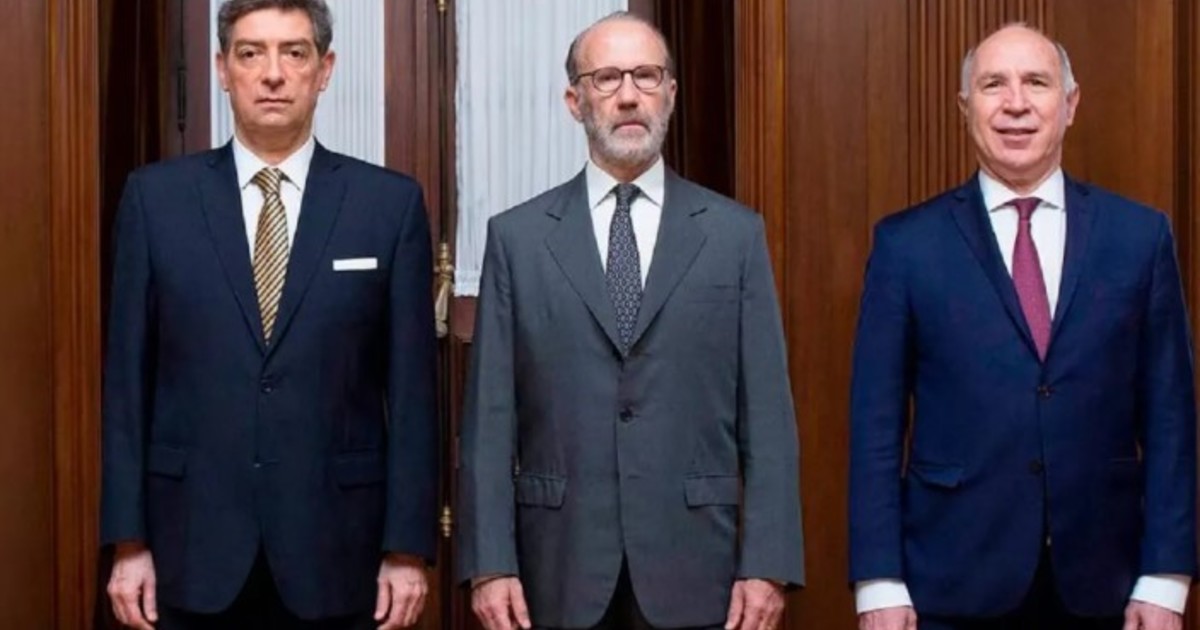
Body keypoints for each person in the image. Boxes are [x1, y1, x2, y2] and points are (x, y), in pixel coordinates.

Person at [457, 11, 804, 630]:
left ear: (670, 93)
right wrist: (490, 564)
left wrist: (768, 562)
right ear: (575, 100)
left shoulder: (734, 236)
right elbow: (490, 419)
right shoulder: (517, 239)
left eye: (646, 76)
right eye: (607, 78)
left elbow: (769, 416)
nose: (627, 95)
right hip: (556, 569)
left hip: (698, 567)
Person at [100, 1, 437, 627]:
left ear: (324, 69)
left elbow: (414, 393)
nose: (273, 73)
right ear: (222, 69)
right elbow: (125, 383)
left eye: (294, 52)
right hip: (188, 546)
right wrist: (128, 541)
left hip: (339, 550)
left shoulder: (387, 206)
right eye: (251, 53)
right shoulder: (155, 200)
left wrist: (407, 548)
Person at [849, 24, 1197, 630]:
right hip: (949, 586)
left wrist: (1166, 578)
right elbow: (875, 426)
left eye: (1036, 82)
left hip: (1109, 588)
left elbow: (1171, 418)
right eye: (993, 85)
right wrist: (878, 582)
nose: (1016, 103)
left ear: (1070, 103)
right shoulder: (906, 246)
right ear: (965, 107)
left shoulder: (1139, 238)